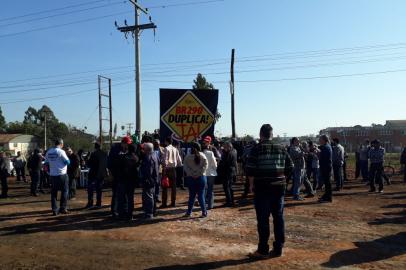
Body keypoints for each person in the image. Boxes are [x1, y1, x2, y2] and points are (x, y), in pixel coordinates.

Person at [246, 124, 293, 259]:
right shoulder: (281, 148)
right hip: (279, 188)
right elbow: (291, 166)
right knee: (278, 218)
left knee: (263, 220)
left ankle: (263, 250)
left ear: (260, 135)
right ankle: (278, 248)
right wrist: (284, 179)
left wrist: (251, 185)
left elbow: (250, 169)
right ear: (272, 134)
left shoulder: (257, 149)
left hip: (262, 189)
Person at [45, 139, 70, 215]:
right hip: (62, 174)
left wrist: (48, 172)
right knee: (65, 191)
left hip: (52, 175)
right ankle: (63, 208)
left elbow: (46, 164)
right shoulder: (61, 151)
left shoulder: (49, 152)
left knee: (53, 193)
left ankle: (55, 210)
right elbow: (67, 162)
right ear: (61, 144)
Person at [183, 142, 208, 218]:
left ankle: (189, 212)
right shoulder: (203, 156)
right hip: (201, 178)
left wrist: (192, 174)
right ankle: (204, 212)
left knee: (192, 196)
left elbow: (185, 167)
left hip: (191, 178)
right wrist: (198, 173)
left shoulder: (187, 157)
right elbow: (205, 166)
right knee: (201, 196)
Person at [116, 138, 139, 220]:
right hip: (131, 181)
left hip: (123, 181)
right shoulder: (136, 158)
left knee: (122, 199)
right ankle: (130, 215)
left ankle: (122, 215)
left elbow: (119, 169)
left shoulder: (123, 157)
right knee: (130, 198)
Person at [162, 136, 182, 208]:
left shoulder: (166, 149)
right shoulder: (175, 149)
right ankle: (173, 203)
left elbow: (165, 159)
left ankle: (164, 203)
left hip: (167, 169)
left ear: (166, 142)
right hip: (174, 169)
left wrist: (164, 168)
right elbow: (179, 160)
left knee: (165, 186)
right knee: (173, 187)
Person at [140, 143, 159, 219]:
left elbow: (148, 171)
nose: (142, 150)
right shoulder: (154, 155)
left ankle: (149, 214)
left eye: (143, 148)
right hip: (154, 179)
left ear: (146, 149)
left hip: (149, 180)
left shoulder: (148, 157)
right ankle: (152, 212)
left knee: (149, 197)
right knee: (152, 196)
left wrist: (145, 180)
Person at [87, 143, 108, 208]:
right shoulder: (105, 154)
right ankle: (98, 203)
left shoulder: (93, 154)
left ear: (95, 147)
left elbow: (89, 164)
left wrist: (87, 160)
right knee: (99, 189)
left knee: (90, 189)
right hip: (101, 174)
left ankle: (90, 203)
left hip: (94, 174)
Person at [218, 142, 238, 207]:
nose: (224, 148)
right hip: (231, 171)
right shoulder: (234, 151)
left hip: (227, 172)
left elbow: (225, 163)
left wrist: (220, 162)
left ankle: (229, 201)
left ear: (229, 147)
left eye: (225, 147)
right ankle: (231, 200)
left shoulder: (228, 153)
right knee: (230, 187)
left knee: (226, 187)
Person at [202, 136, 218, 210]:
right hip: (205, 172)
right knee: (205, 189)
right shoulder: (202, 149)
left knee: (209, 189)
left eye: (207, 141)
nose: (206, 142)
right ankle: (205, 204)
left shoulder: (213, 149)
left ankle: (209, 205)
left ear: (210, 142)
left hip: (210, 172)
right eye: (205, 141)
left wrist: (214, 166)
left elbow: (218, 157)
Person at [318, 135, 333, 203]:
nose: (319, 140)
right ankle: (326, 195)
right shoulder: (326, 146)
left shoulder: (326, 147)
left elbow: (323, 157)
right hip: (325, 166)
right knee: (326, 182)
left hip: (326, 167)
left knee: (327, 183)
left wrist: (317, 153)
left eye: (320, 139)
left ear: (324, 140)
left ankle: (328, 197)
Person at [153, 139, 164, 204]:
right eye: (155, 144)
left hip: (159, 169)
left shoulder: (162, 149)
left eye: (158, 144)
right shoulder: (151, 149)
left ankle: (157, 196)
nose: (157, 145)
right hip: (152, 170)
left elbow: (164, 157)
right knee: (153, 184)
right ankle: (153, 196)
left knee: (158, 184)